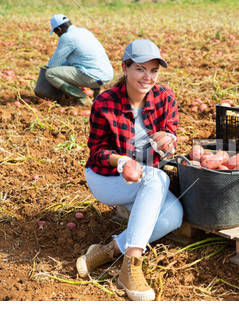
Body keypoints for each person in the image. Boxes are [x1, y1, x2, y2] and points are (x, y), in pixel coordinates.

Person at [76, 39, 183, 301]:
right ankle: (131, 267)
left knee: (173, 217)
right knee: (157, 177)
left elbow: (169, 137)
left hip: (145, 178)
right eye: (140, 69)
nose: (148, 77)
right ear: (125, 68)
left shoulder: (165, 97)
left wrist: (165, 141)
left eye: (154, 70)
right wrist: (122, 162)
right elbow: (97, 152)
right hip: (106, 177)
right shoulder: (105, 101)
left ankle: (108, 250)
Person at [44, 14, 114, 106]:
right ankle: (98, 95)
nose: (58, 35)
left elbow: (53, 64)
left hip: (94, 77)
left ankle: (82, 98)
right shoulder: (84, 31)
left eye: (56, 33)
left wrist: (46, 69)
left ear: (58, 30)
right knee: (86, 65)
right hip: (107, 75)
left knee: (50, 73)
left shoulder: (67, 37)